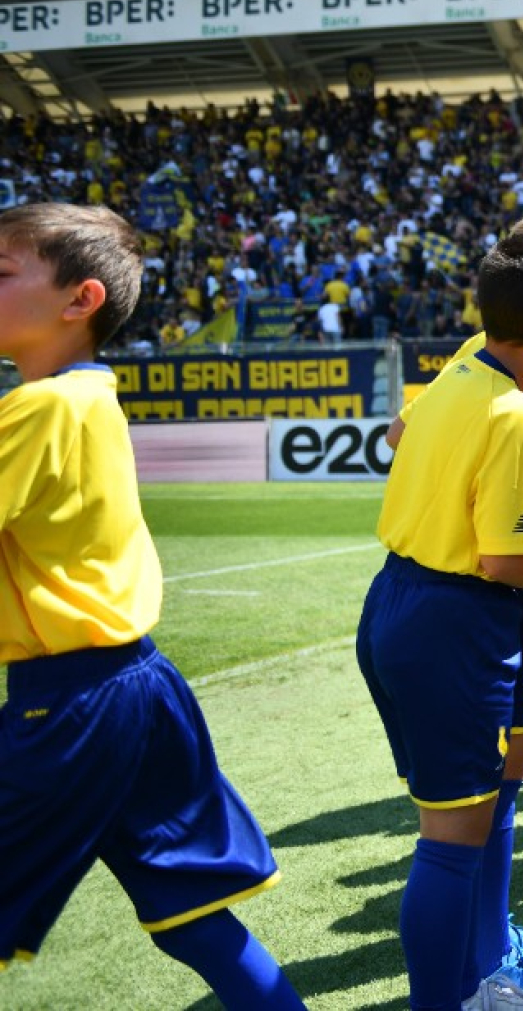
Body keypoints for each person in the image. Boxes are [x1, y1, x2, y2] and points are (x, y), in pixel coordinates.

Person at [0, 204, 304, 1011]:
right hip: (135, 686)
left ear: (81, 299)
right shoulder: (85, 394)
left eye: (3, 271)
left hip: (69, 705)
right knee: (191, 918)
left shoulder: (39, 407)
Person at [357, 237, 523, 1011]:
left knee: (467, 818)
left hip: (400, 600)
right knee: (450, 845)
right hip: (454, 622)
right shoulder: (516, 410)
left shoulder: (455, 378)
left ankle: (480, 975)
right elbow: (503, 557)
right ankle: (454, 997)